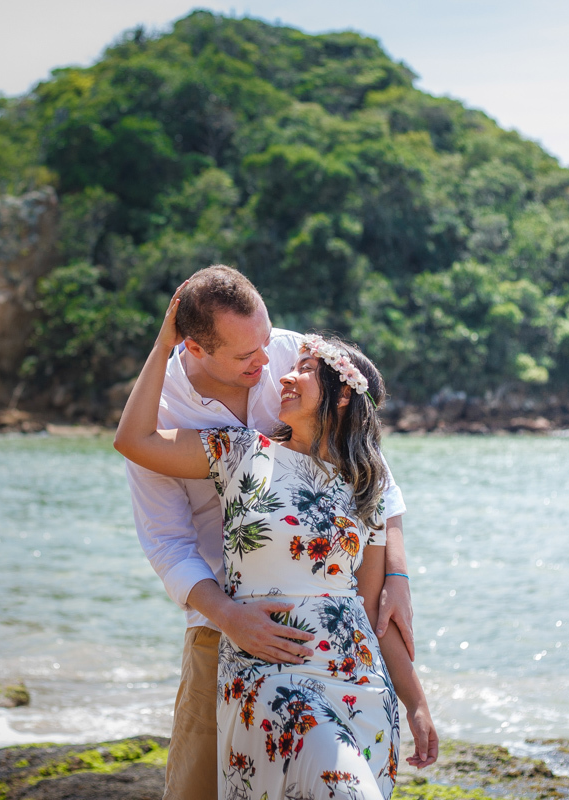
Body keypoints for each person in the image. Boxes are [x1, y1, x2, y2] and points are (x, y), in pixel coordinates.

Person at [118, 269, 437, 799]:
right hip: (228, 627)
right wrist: (229, 617)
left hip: (349, 669)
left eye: (269, 345)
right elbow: (166, 540)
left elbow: (376, 485)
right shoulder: (218, 439)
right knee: (199, 787)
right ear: (195, 346)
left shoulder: (291, 359)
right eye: (248, 356)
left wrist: (399, 580)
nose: (273, 366)